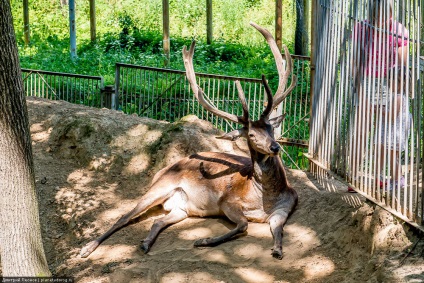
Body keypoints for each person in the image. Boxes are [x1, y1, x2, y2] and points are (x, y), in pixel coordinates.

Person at [348, 0, 409, 193]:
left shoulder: (399, 30)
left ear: (390, 14)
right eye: (376, 18)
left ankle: (380, 176)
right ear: (371, 15)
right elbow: (355, 63)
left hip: (388, 83)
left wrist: (396, 92)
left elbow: (401, 68)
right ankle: (354, 176)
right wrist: (360, 91)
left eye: (384, 17)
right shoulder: (361, 27)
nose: (380, 22)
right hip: (366, 81)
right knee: (361, 130)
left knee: (385, 133)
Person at [375, 66, 411, 192]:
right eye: (389, 79)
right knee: (394, 158)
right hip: (395, 132)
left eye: (395, 80)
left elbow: (391, 117)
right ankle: (397, 179)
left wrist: (380, 111)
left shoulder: (398, 98)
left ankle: (397, 181)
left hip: (394, 133)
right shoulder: (399, 97)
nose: (390, 82)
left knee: (392, 158)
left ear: (403, 83)